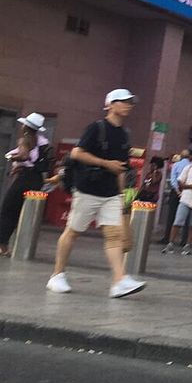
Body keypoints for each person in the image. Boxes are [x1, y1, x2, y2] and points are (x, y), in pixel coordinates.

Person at [46, 89, 146, 298]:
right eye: (124, 101)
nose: (128, 105)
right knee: (73, 231)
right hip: (88, 190)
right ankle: (57, 275)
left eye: (130, 102)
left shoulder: (124, 134)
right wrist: (105, 163)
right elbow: (77, 153)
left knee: (114, 235)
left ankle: (119, 280)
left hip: (110, 193)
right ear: (110, 104)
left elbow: (121, 168)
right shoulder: (96, 128)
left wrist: (121, 196)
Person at [0, 113, 52, 255]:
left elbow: (24, 156)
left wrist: (10, 157)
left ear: (26, 126)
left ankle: (2, 245)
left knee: (8, 209)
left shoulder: (24, 139)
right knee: (24, 212)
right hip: (36, 179)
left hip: (25, 177)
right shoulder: (41, 141)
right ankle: (11, 246)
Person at [161, 150, 191, 245]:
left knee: (171, 216)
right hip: (187, 192)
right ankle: (184, 241)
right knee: (186, 217)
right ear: (189, 157)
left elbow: (173, 180)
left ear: (181, 156)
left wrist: (177, 191)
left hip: (175, 192)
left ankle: (168, 238)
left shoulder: (176, 165)